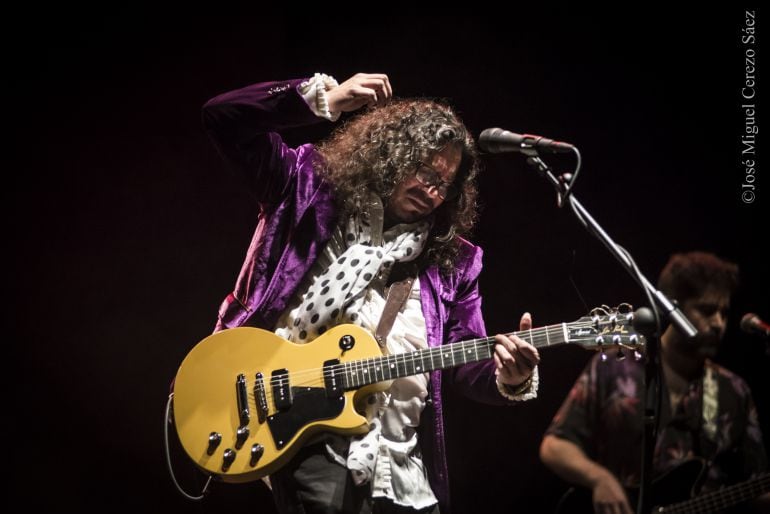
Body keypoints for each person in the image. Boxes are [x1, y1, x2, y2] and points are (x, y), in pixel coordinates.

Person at [201, 72, 541, 514]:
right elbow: (223, 118)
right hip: (309, 436)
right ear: (390, 155)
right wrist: (321, 99)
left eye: (444, 185)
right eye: (424, 172)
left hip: (402, 466)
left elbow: (465, 362)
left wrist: (509, 376)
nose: (432, 192)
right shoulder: (309, 189)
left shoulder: (455, 261)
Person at [540, 251, 768, 514]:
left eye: (724, 313)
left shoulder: (734, 391)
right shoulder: (616, 367)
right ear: (671, 309)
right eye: (706, 310)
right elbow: (555, 445)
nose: (719, 323)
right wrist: (600, 479)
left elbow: (758, 490)